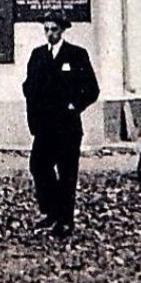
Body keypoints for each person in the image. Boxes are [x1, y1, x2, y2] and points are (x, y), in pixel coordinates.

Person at [21, 12, 100, 237]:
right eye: (46, 29)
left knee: (67, 174)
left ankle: (65, 220)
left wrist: (75, 105)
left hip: (67, 128)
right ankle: (51, 212)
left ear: (62, 30)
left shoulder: (76, 55)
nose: (50, 34)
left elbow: (92, 89)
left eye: (54, 29)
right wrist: (34, 114)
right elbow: (28, 86)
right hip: (44, 127)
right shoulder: (37, 56)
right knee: (38, 166)